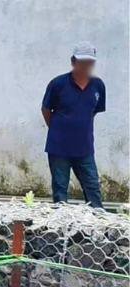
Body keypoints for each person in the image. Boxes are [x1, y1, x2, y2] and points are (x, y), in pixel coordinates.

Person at [42, 43, 105, 208]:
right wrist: (58, 130)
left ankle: (97, 226)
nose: (86, 66)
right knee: (60, 191)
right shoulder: (58, 84)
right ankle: (60, 229)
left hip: (84, 149)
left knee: (92, 188)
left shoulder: (98, 86)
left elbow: (93, 111)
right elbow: (46, 109)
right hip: (59, 148)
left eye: (89, 63)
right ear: (73, 62)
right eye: (82, 62)